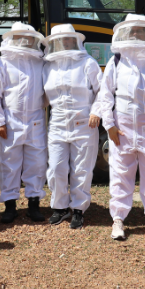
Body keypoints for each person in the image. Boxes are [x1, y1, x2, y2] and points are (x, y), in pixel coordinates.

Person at [90, 14, 145, 242]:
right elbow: (105, 94)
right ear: (126, 33)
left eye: (141, 30)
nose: (137, 34)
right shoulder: (116, 61)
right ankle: (118, 220)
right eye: (133, 31)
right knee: (120, 174)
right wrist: (108, 124)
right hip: (122, 129)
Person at [0, 23, 48, 226]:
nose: (25, 41)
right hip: (10, 120)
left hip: (36, 119)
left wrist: (40, 107)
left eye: (28, 38)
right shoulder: (2, 63)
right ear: (12, 38)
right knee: (9, 163)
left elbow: (47, 92)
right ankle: (10, 205)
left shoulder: (40, 63)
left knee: (36, 163)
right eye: (20, 37)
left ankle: (33, 204)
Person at [42, 23, 101, 229]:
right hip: (57, 122)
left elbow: (102, 91)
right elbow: (43, 96)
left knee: (82, 168)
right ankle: (59, 206)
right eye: (61, 40)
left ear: (75, 40)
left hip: (84, 123)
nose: (65, 43)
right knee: (56, 167)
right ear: (54, 43)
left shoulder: (88, 63)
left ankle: (78, 209)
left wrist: (96, 111)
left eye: (68, 39)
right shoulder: (48, 66)